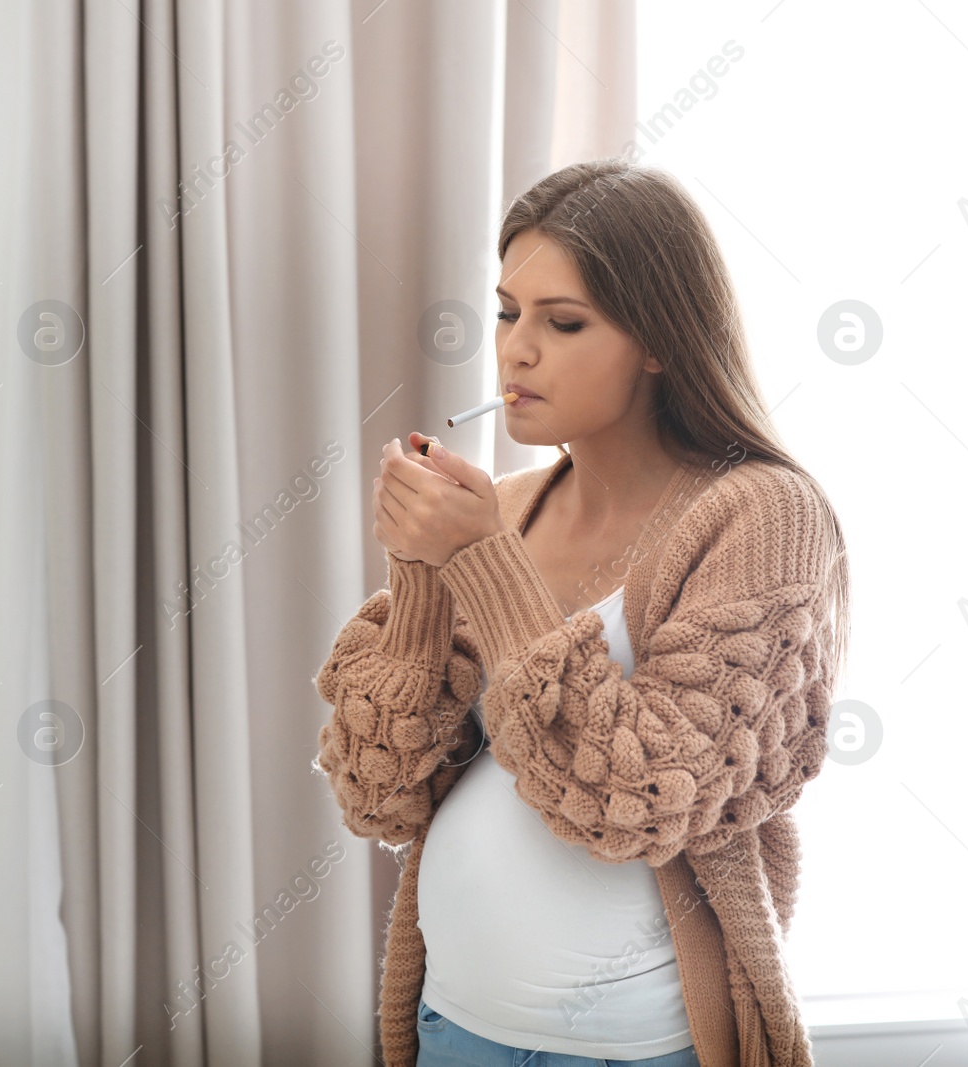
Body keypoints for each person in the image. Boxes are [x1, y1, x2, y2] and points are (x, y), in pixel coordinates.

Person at [312, 158, 850, 1067]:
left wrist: (480, 562)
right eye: (506, 311)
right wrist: (418, 581)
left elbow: (638, 796)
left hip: (637, 1050)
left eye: (563, 322)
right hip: (452, 1026)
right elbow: (378, 793)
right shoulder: (510, 507)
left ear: (661, 338)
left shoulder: (763, 516)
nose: (515, 349)